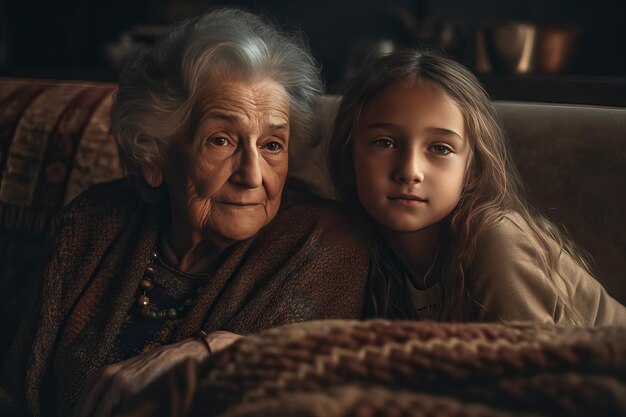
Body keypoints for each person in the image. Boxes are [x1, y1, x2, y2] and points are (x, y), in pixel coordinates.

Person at [0, 8, 368, 417]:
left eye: (272, 145)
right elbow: (16, 392)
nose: (251, 175)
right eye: (221, 141)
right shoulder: (89, 224)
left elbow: (293, 377)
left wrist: (207, 351)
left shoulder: (322, 244)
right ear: (155, 155)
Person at [328, 49, 626, 324]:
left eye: (440, 148)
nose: (410, 171)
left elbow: (535, 376)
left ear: (472, 169)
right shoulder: (360, 252)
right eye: (385, 143)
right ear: (349, 153)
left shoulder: (497, 243)